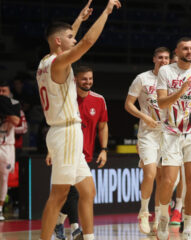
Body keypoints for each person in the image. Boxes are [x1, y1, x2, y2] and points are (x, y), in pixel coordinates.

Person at [36, 0, 121, 239]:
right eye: (70, 36)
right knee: (59, 196)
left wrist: (79, 20)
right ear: (59, 42)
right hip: (66, 132)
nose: (74, 38)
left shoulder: (45, 61)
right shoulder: (60, 62)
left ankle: (89, 237)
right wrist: (105, 12)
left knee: (87, 190)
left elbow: (64, 41)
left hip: (63, 131)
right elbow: (86, 42)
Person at [156, 37, 191, 240]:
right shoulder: (166, 71)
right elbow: (161, 103)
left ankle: (187, 228)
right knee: (169, 180)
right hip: (171, 131)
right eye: (185, 48)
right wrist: (181, 91)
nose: (189, 51)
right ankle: (163, 217)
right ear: (176, 52)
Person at [49, 66, 109, 240]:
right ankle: (76, 229)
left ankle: (59, 221)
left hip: (86, 153)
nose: (88, 82)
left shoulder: (99, 100)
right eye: (84, 79)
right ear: (75, 80)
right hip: (65, 149)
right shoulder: (67, 98)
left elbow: (103, 127)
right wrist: (51, 149)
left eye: (90, 78)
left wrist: (104, 150)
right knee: (73, 191)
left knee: (73, 192)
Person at [124, 47, 170, 235]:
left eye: (167, 58)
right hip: (148, 133)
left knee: (163, 179)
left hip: (168, 134)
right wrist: (145, 117)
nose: (164, 61)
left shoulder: (174, 80)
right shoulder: (142, 78)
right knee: (150, 173)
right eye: (160, 58)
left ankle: (159, 216)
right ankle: (144, 212)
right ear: (154, 59)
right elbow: (128, 104)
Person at [0, 80, 21, 221]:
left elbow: (16, 121)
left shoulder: (14, 103)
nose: (1, 94)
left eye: (4, 91)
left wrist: (4, 109)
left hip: (8, 145)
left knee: (4, 178)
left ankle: (0, 209)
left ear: (9, 92)